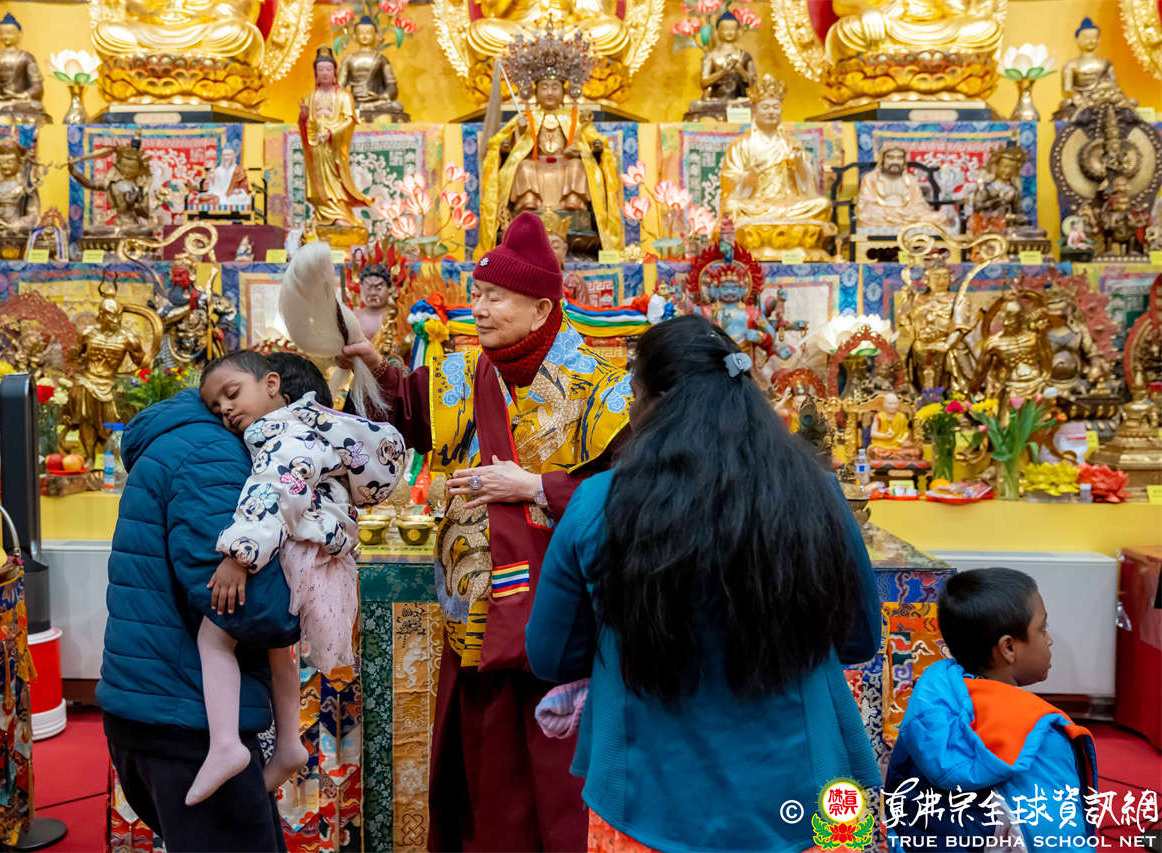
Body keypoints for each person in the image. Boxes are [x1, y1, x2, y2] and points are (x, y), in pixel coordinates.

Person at [526, 313, 882, 852]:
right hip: (802, 790)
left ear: (654, 400)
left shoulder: (599, 502)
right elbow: (858, 639)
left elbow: (552, 656)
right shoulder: (817, 492)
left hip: (645, 798)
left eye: (634, 394)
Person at [338, 210, 632, 851]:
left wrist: (536, 487)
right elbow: (406, 412)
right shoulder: (464, 372)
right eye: (477, 293)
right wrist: (374, 365)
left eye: (496, 297)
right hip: (473, 612)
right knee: (486, 769)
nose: (480, 308)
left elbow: (635, 499)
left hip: (560, 612)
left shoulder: (602, 389)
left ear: (542, 308)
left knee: (558, 770)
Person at [186, 350, 405, 805]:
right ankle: (288, 743)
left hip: (297, 552)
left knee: (214, 633)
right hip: (314, 552)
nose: (226, 409)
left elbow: (275, 492)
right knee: (275, 648)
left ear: (271, 385)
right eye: (216, 407)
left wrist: (239, 556)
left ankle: (225, 743)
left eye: (232, 393)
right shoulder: (308, 430)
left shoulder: (284, 434)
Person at [98, 386, 299, 850]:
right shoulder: (210, 456)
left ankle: (288, 745)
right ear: (277, 392)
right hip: (186, 720)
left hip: (163, 703)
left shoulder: (191, 443)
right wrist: (304, 604)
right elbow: (238, 604)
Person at [885, 568, 1097, 852]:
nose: (1049, 640)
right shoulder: (1037, 733)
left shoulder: (932, 701)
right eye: (1042, 628)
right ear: (1008, 647)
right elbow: (1056, 839)